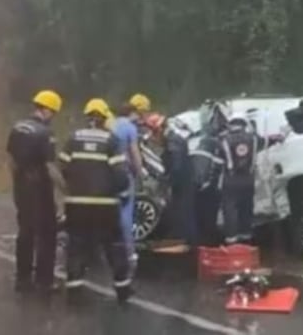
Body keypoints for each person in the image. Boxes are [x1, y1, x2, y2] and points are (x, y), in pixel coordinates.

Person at [58, 98, 133, 304]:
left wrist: (74, 186)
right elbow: (121, 175)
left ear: (88, 117)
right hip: (105, 205)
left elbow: (62, 167)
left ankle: (74, 291)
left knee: (77, 246)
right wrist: (120, 191)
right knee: (114, 247)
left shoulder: (73, 138)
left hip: (76, 204)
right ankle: (123, 290)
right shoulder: (111, 140)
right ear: (103, 118)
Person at [6, 89, 63, 295]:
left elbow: (11, 161)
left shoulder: (17, 127)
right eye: (53, 113)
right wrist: (64, 189)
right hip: (40, 189)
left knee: (26, 233)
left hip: (21, 186)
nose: (53, 117)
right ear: (48, 110)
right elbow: (50, 167)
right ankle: (44, 280)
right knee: (48, 233)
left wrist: (18, 183)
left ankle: (22, 280)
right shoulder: (45, 133)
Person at [219, 114, 283, 245]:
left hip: (230, 180)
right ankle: (246, 239)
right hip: (248, 180)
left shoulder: (223, 139)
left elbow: (218, 158)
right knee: (246, 209)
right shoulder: (253, 139)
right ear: (244, 124)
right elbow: (268, 141)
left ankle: (231, 242)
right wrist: (280, 137)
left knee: (230, 210)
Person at [145, 113, 198, 247]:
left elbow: (176, 166)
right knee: (181, 212)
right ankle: (184, 240)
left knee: (183, 213)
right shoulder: (173, 139)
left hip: (182, 183)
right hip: (182, 182)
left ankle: (187, 244)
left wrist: (167, 182)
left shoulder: (174, 142)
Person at [111, 103, 145, 271]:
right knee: (126, 214)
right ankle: (129, 253)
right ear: (131, 114)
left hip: (108, 174)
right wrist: (140, 174)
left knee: (111, 211)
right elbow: (135, 153)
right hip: (124, 174)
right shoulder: (130, 128)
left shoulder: (110, 125)